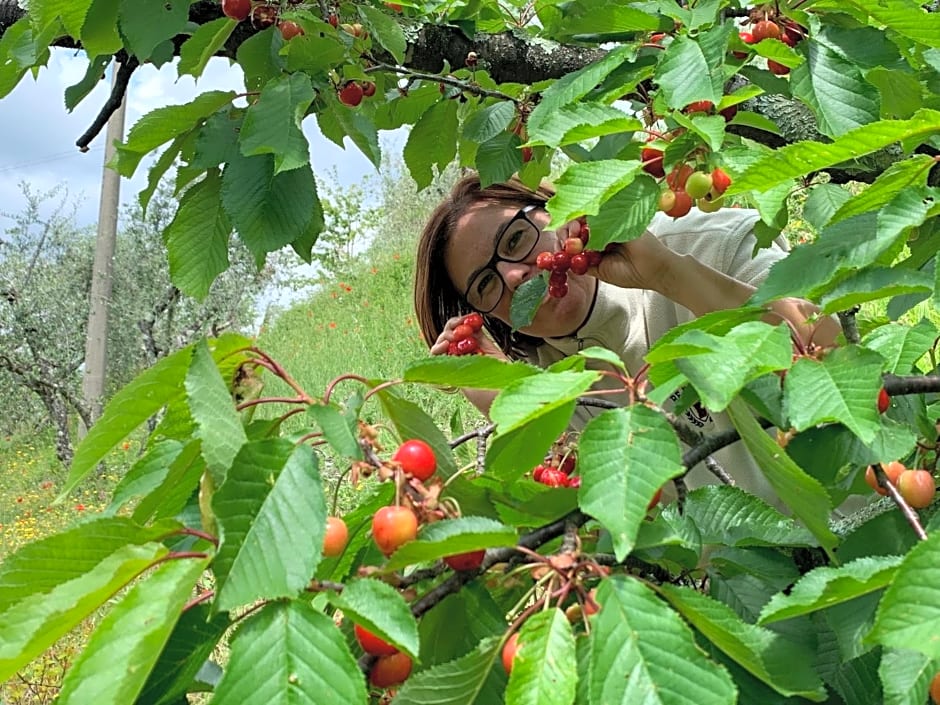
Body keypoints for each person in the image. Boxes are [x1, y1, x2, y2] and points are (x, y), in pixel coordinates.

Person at [413, 173, 842, 507]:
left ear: (555, 211)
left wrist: (667, 275)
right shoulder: (555, 385)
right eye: (485, 285)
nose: (512, 273)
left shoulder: (712, 243)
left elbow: (832, 351)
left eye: (517, 239)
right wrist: (514, 406)